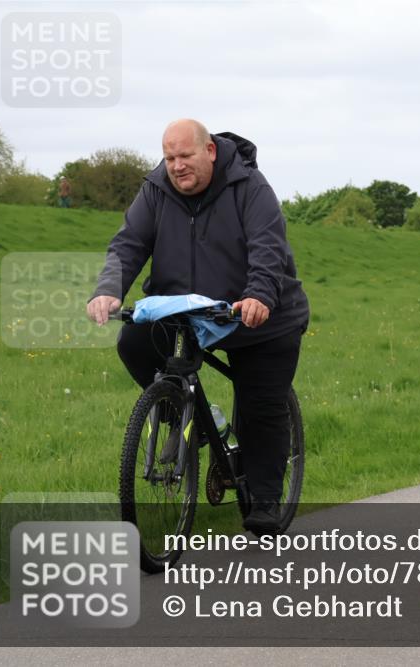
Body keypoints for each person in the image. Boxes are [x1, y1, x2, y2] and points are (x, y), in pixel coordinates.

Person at [86, 119, 309, 532]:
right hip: (186, 309)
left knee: (260, 404)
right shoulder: (155, 190)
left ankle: (262, 501)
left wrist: (259, 295)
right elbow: (130, 242)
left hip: (257, 315)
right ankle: (184, 416)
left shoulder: (250, 186)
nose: (176, 166)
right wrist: (109, 288)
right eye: (169, 157)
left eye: (185, 156)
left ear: (209, 152)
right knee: (134, 341)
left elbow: (267, 245)